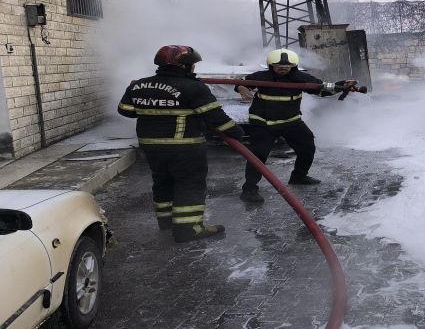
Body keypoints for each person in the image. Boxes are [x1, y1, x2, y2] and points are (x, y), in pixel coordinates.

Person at [117, 45, 246, 243]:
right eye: (192, 64)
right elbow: (216, 118)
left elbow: (125, 110)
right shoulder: (193, 87)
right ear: (184, 66)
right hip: (184, 148)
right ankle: (188, 229)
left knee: (162, 181)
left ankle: (167, 222)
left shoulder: (139, 85)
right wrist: (237, 133)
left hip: (151, 147)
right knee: (189, 185)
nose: (194, 68)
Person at [235, 48, 355, 203]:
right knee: (258, 155)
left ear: (294, 66)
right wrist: (242, 87)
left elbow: (321, 90)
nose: (283, 69)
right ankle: (249, 189)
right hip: (262, 123)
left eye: (287, 66)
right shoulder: (261, 77)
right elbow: (240, 83)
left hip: (290, 122)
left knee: (307, 147)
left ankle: (299, 176)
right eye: (279, 66)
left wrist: (341, 86)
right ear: (271, 66)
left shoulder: (301, 78)